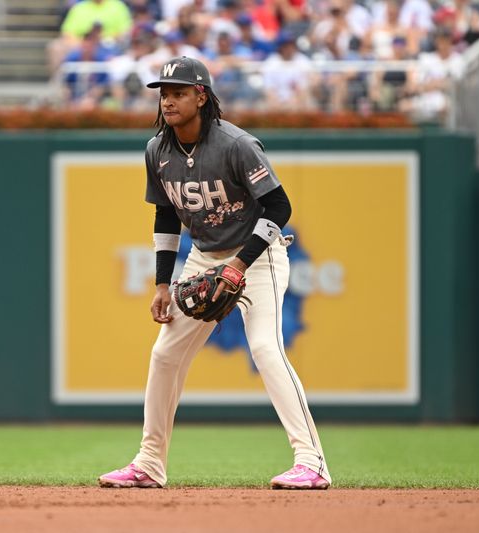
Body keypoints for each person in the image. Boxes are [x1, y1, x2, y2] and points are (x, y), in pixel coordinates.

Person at [98, 56, 331, 490]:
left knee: (264, 347)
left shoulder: (237, 145)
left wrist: (239, 267)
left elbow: (280, 208)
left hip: (257, 257)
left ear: (201, 96)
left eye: (179, 92)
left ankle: (312, 461)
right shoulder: (158, 150)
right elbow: (166, 219)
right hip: (203, 258)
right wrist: (163, 284)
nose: (168, 101)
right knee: (164, 354)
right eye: (164, 93)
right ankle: (149, 463)